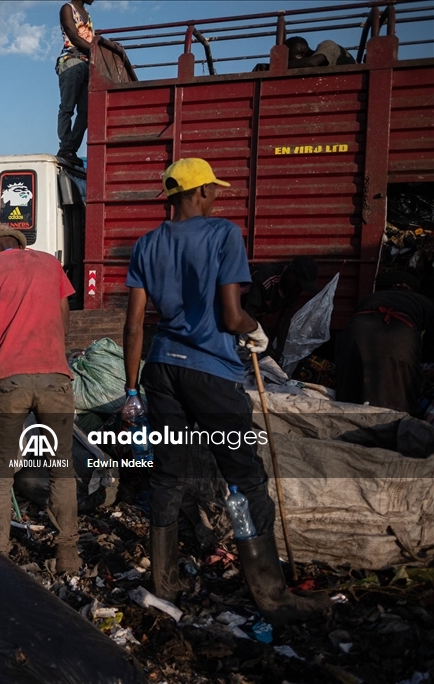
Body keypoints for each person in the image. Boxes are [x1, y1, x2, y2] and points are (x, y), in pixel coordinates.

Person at [122, 158, 329, 623]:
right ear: (197, 194)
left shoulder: (146, 243)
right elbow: (233, 315)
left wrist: (131, 387)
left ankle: (166, 583)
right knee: (245, 477)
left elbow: (134, 324)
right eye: (212, 189)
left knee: (167, 475)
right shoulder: (223, 234)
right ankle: (272, 596)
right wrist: (257, 332)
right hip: (210, 374)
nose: (217, 196)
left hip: (160, 368)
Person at [0, 223, 82, 574]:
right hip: (55, 378)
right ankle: (67, 556)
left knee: (1, 475)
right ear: (19, 244)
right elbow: (64, 324)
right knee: (61, 468)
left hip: (7, 382)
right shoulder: (49, 263)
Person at [336, 270, 433, 414]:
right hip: (400, 340)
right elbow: (430, 343)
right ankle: (394, 426)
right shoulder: (424, 302)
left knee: (353, 383)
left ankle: (348, 422)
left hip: (355, 336)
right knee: (399, 389)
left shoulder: (369, 298)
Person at [241, 256, 318, 361]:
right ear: (290, 272)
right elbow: (249, 314)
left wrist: (278, 350)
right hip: (235, 313)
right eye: (299, 284)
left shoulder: (294, 289)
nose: (298, 289)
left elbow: (285, 319)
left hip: (254, 317)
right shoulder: (266, 277)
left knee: (269, 353)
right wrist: (267, 349)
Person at [56, 0, 94, 167]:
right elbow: (73, 35)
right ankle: (65, 148)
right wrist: (97, 49)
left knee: (85, 112)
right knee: (67, 107)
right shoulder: (67, 8)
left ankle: (71, 148)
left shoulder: (86, 11)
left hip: (87, 63)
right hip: (71, 61)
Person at [286, 36, 356, 68]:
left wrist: (284, 65)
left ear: (301, 55)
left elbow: (313, 62)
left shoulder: (327, 44)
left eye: (292, 60)